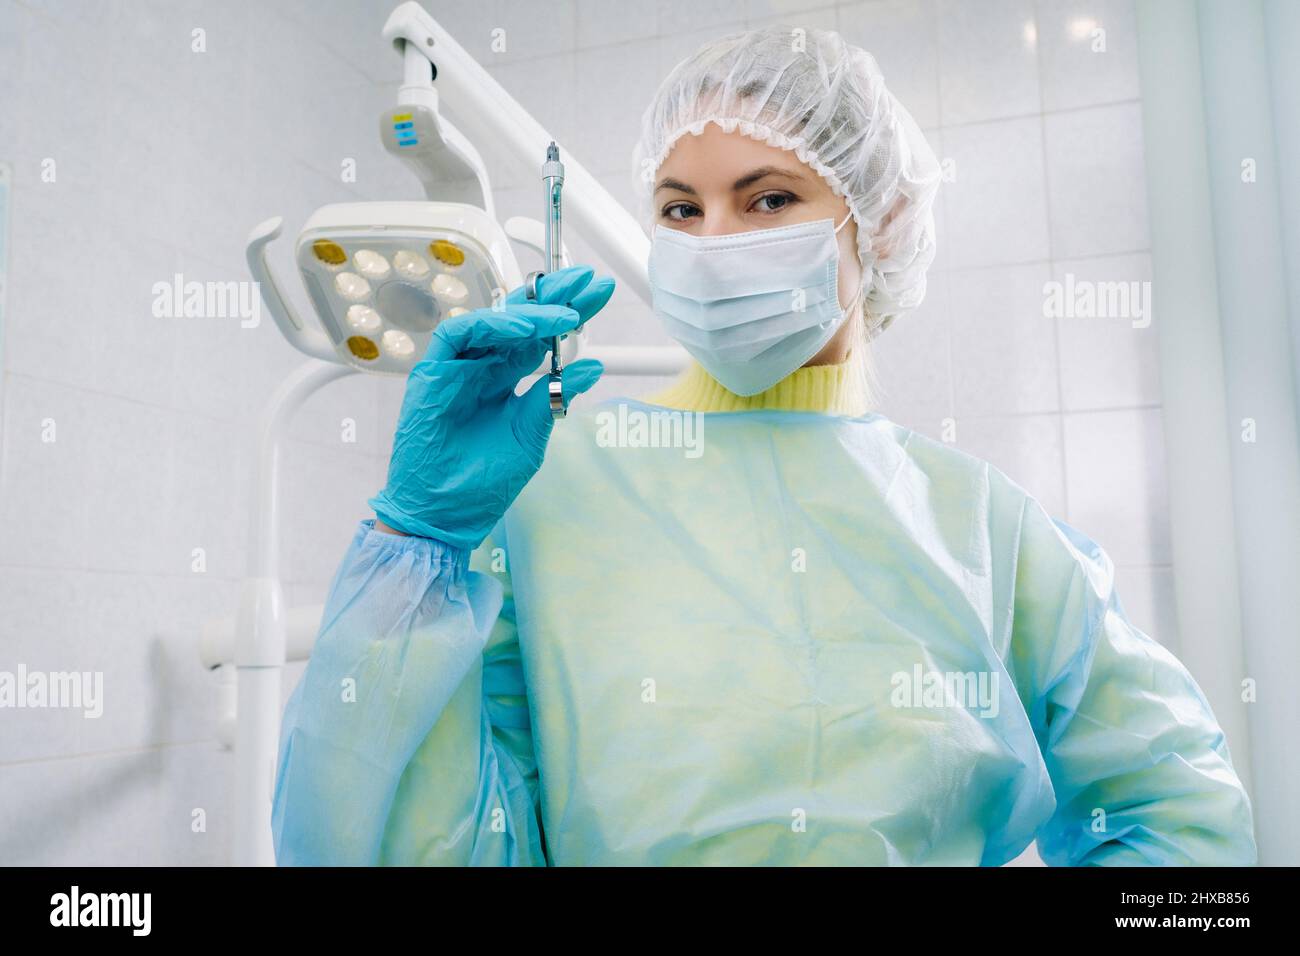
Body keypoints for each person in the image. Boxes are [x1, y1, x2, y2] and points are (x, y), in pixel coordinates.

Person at [271, 25, 1256, 866]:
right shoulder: (550, 492)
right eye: (680, 209)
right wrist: (419, 543)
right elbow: (375, 845)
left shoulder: (987, 527)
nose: (714, 241)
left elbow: (1184, 825)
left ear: (881, 222)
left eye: (769, 198)